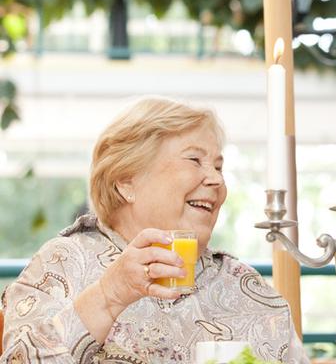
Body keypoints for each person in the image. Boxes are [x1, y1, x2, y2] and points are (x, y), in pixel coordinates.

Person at [0, 97, 308, 363]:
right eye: (195, 160)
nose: (216, 180)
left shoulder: (242, 284)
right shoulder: (65, 262)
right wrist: (109, 296)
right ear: (126, 181)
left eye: (218, 166)